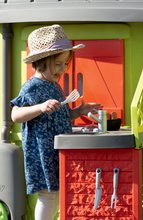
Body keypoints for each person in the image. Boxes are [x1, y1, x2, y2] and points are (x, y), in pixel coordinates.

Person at [10, 24, 101, 220]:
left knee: (55, 194)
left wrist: (79, 111)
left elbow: (61, 116)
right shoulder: (32, 86)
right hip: (42, 151)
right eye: (58, 64)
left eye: (65, 63)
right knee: (48, 195)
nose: (64, 68)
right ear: (42, 62)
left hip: (56, 150)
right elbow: (15, 115)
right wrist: (40, 107)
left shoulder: (54, 86)